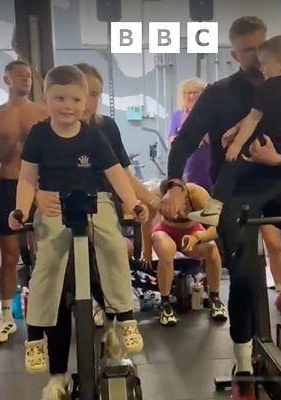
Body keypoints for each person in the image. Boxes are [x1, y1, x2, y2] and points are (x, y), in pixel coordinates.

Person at [161, 16, 281, 398]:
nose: (259, 55)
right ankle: (243, 366)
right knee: (246, 276)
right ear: (234, 55)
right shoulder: (218, 94)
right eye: (250, 50)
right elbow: (183, 142)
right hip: (238, 189)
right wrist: (174, 184)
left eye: (264, 46)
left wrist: (280, 159)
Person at [8, 65, 148, 399]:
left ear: (85, 101)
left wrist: (133, 203)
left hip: (94, 200)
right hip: (55, 204)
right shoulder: (40, 134)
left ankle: (124, 316)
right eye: (59, 98)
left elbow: (117, 173)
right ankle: (36, 336)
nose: (68, 106)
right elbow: (27, 177)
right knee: (48, 265)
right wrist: (21, 210)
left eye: (76, 99)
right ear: (45, 99)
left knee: (113, 246)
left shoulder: (97, 133)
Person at [35, 63, 160, 331]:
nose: (89, 102)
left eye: (95, 94)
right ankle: (52, 334)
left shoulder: (106, 128)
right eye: (85, 94)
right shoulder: (45, 130)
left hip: (100, 203)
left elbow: (122, 173)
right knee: (60, 274)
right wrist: (36, 196)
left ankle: (117, 321)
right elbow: (30, 173)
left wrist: (150, 200)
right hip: (61, 207)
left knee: (110, 259)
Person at [189, 34, 281, 226]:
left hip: (268, 142)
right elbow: (263, 113)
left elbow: (253, 118)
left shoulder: (268, 88)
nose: (261, 68)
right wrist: (235, 128)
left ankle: (213, 210)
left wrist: (237, 144)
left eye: (265, 63)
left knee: (231, 166)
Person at [0, 60, 48, 343]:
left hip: (41, 188)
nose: (26, 79)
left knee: (48, 253)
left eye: (29, 76)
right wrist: (8, 147)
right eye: (19, 75)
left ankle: (48, 313)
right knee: (9, 256)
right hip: (9, 185)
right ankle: (7, 318)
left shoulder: (44, 113)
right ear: (6, 80)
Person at [141, 179, 227, 326]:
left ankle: (215, 298)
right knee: (166, 250)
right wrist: (147, 250)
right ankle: (165, 303)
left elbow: (218, 227)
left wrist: (198, 237)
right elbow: (146, 222)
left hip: (192, 231)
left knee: (212, 249)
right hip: (165, 231)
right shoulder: (155, 195)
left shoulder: (198, 194)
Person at [169, 78, 212, 192]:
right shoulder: (177, 114)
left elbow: (215, 139)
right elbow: (172, 137)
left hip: (207, 165)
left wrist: (195, 129)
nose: (192, 96)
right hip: (186, 166)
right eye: (189, 93)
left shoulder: (210, 114)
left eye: (195, 93)